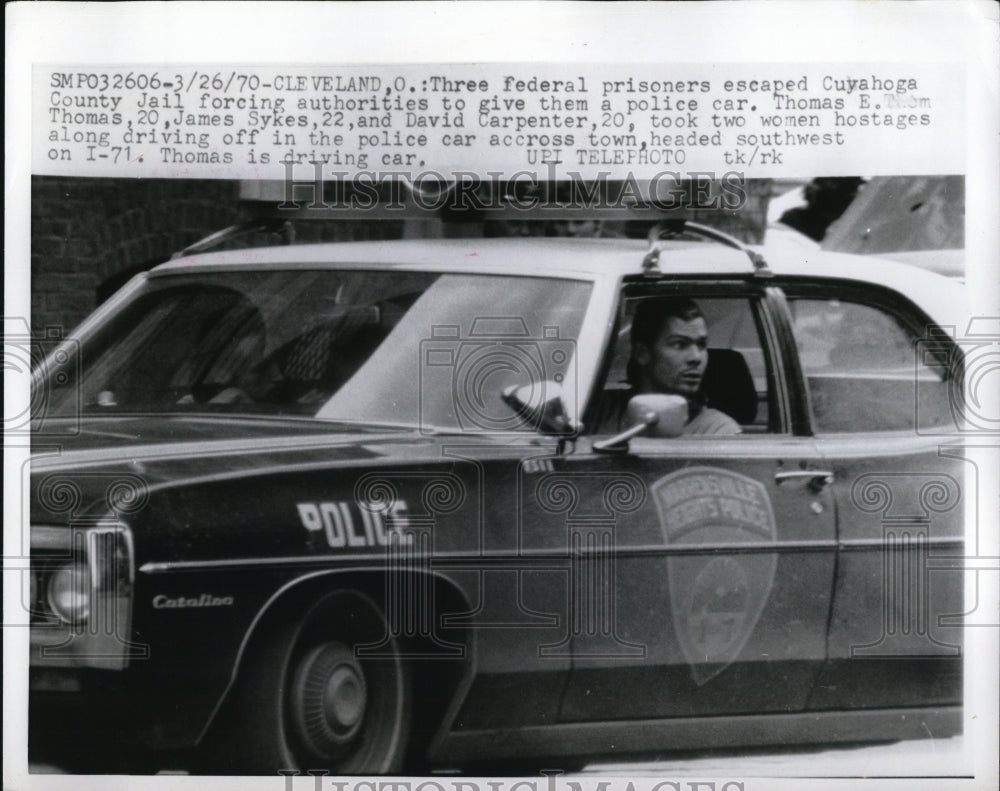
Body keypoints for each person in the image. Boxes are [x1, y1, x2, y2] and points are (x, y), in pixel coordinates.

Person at [595, 298, 741, 435]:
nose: (696, 358)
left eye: (701, 345)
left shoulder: (718, 430)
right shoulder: (600, 411)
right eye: (679, 344)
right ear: (642, 353)